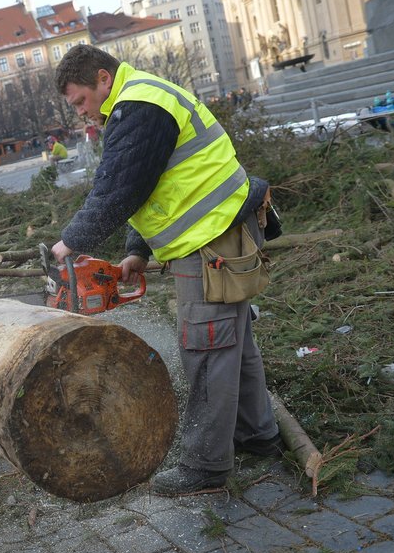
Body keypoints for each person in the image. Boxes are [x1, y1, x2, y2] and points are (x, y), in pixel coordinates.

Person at [50, 44, 281, 496]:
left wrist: (69, 243)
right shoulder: (140, 99)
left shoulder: (139, 105)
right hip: (222, 231)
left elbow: (119, 189)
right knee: (235, 343)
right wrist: (137, 249)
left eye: (81, 101)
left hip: (210, 238)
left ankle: (205, 468)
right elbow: (154, 184)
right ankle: (259, 435)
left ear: (103, 78)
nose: (81, 113)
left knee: (206, 349)